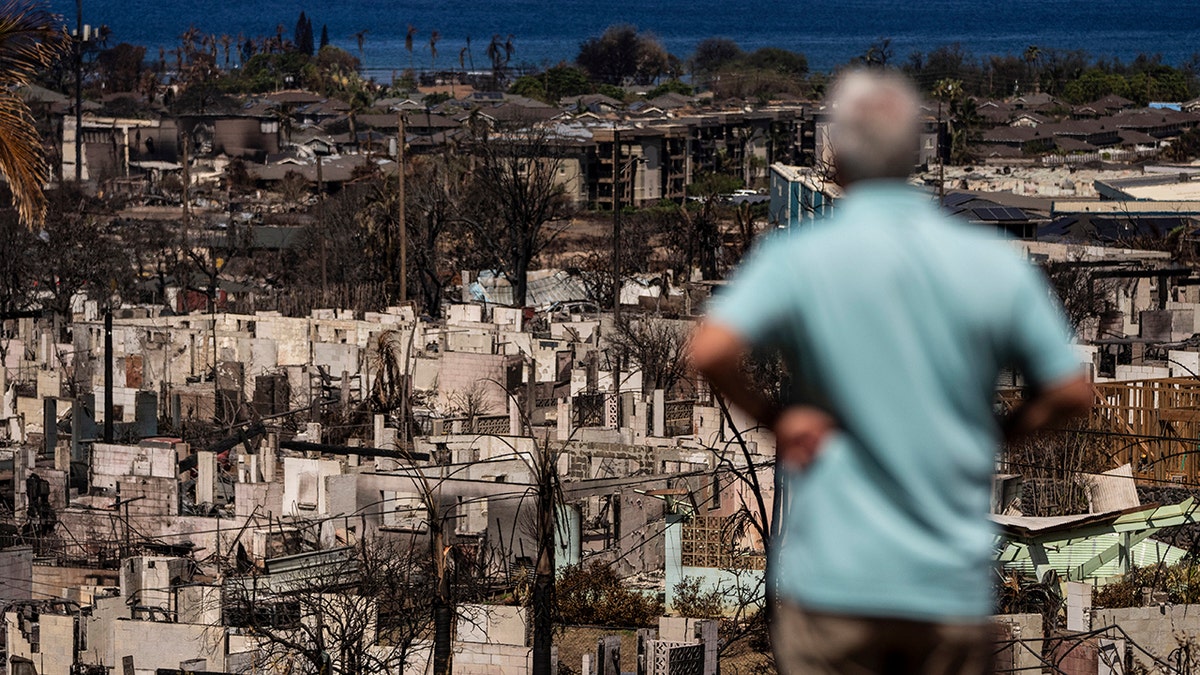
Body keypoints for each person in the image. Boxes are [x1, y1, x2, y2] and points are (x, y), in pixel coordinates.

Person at [687, 69, 1092, 675]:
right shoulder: (989, 262)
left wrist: (778, 418)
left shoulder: (800, 255)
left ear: (839, 156)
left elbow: (711, 348)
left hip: (831, 587)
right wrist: (1001, 433)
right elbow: (1069, 389)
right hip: (945, 591)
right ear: (915, 156)